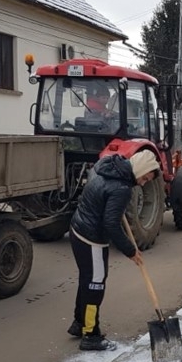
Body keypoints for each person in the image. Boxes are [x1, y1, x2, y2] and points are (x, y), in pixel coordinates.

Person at [67, 150, 160, 351]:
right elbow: (111, 224)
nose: (143, 183)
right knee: (95, 285)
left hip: (78, 228)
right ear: (141, 170)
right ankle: (90, 335)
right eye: (144, 178)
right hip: (91, 237)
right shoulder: (122, 188)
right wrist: (130, 250)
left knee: (88, 280)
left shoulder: (109, 167)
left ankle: (79, 323)